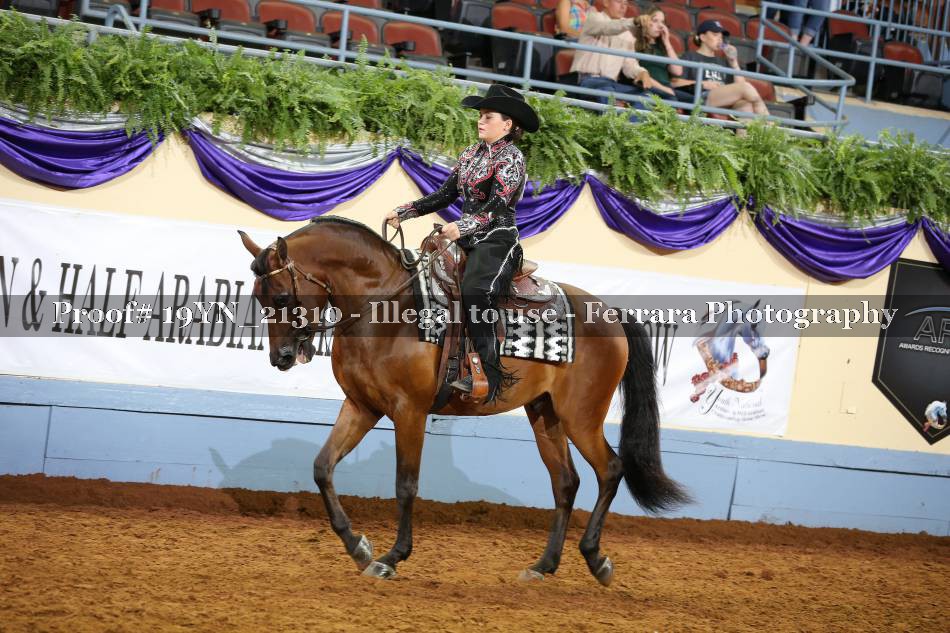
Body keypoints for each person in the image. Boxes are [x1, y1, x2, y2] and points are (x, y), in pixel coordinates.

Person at [384, 84, 539, 404]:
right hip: (467, 237)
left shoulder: (512, 158)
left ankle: (490, 377)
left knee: (475, 291)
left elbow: (498, 206)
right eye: (480, 115)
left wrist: (463, 225)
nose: (481, 120)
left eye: (488, 116)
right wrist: (405, 211)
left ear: (507, 124)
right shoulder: (470, 154)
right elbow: (445, 195)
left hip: (498, 240)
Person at [672, 20, 770, 119]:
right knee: (747, 88)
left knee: (746, 106)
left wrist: (734, 62)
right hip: (702, 96)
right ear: (702, 37)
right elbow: (675, 83)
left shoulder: (724, 61)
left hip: (723, 98)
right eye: (715, 35)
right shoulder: (689, 56)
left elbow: (739, 85)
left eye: (721, 37)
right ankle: (769, 123)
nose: (719, 39)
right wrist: (702, 83)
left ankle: (751, 129)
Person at [569, 0, 651, 106]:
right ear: (606, 2)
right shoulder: (593, 18)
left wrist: (641, 72)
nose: (623, 6)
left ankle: (631, 118)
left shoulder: (627, 34)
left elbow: (629, 64)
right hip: (588, 80)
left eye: (625, 3)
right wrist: (633, 22)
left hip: (611, 83)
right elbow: (608, 27)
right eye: (619, 1)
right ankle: (611, 115)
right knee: (606, 90)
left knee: (645, 96)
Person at [630, 6, 696, 104]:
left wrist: (667, 42)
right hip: (647, 86)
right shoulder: (634, 43)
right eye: (655, 21)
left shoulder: (662, 47)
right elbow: (636, 72)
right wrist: (665, 90)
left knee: (696, 102)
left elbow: (678, 71)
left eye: (662, 22)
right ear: (645, 21)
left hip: (666, 88)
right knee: (671, 100)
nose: (660, 26)